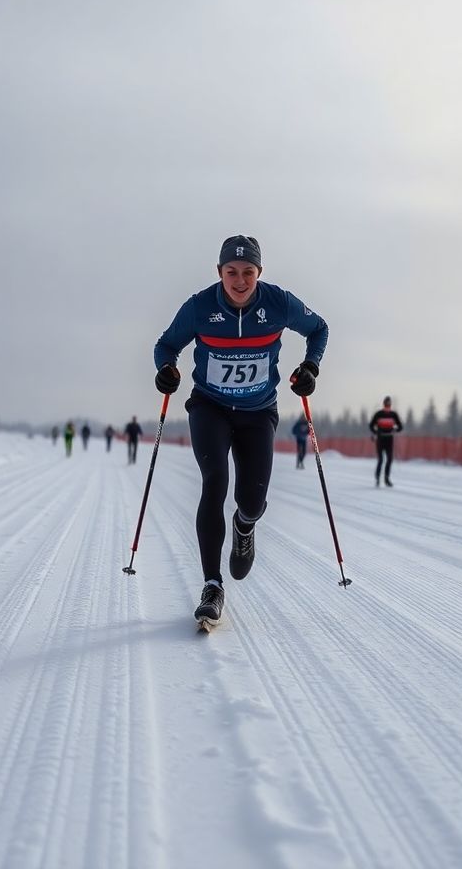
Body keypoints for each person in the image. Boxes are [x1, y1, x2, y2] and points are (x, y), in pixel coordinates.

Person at [154, 234, 329, 628]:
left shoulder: (279, 302)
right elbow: (166, 346)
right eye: (231, 272)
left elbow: (319, 329)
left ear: (259, 273)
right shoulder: (199, 307)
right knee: (214, 480)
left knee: (251, 501)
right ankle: (212, 586)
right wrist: (166, 371)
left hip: (257, 413)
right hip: (210, 408)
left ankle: (244, 526)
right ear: (219, 272)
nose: (239, 280)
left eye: (248, 272)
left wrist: (311, 368)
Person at [369, 396, 403, 487]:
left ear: (390, 404)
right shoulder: (378, 414)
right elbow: (371, 425)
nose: (387, 405)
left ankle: (387, 478)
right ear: (384, 404)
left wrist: (395, 430)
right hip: (380, 440)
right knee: (381, 460)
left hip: (389, 440)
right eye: (386, 403)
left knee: (390, 459)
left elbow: (400, 427)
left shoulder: (393, 414)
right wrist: (376, 432)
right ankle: (377, 478)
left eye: (389, 404)